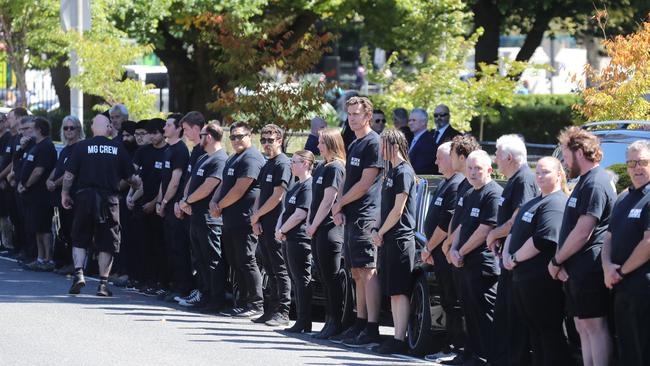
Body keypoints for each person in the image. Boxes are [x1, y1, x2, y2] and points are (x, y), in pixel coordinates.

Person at [550, 126, 615, 366]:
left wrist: (556, 260)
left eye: (566, 156)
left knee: (594, 325)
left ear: (579, 152)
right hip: (576, 269)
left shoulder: (596, 183)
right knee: (581, 325)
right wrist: (563, 261)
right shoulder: (585, 182)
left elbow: (583, 231)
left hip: (590, 268)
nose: (565, 163)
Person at [62, 114, 141, 296]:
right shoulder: (117, 148)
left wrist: (65, 193)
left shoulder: (81, 147)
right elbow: (130, 177)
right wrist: (137, 184)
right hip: (109, 199)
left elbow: (68, 176)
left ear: (91, 129)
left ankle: (79, 275)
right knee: (107, 241)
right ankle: (103, 285)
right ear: (108, 128)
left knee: (80, 237)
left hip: (84, 198)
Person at [503, 157, 572, 366]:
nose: (540, 176)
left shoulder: (556, 202)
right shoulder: (533, 202)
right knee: (534, 333)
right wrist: (506, 254)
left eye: (546, 172)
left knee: (549, 333)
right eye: (538, 172)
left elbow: (542, 239)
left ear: (559, 175)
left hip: (541, 281)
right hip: (521, 278)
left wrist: (514, 258)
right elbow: (513, 231)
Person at [330, 96, 383, 347]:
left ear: (368, 116)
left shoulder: (374, 143)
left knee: (368, 270)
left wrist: (341, 203)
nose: (352, 118)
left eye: (356, 114)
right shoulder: (353, 143)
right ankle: (360, 322)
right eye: (349, 114)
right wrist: (337, 205)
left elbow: (365, 183)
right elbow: (346, 179)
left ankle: (372, 327)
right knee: (355, 272)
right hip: (351, 215)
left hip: (366, 215)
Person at [486, 134, 538, 366]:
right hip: (507, 255)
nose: (495, 159)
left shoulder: (524, 179)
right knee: (504, 314)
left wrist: (494, 234)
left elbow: (519, 216)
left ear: (507, 157)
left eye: (497, 154)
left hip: (519, 260)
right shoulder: (514, 179)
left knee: (514, 317)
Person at [449, 150, 503, 366]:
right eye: (470, 168)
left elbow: (484, 230)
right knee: (468, 311)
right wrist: (454, 248)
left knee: (483, 313)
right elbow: (461, 226)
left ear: (489, 170)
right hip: (464, 262)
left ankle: (485, 357)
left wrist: (460, 252)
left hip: (482, 264)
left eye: (478, 168)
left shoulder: (493, 193)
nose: (472, 172)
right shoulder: (471, 193)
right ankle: (470, 352)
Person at [602, 140, 650, 366]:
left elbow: (648, 243)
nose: (636, 168)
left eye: (642, 162)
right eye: (631, 163)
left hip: (642, 287)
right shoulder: (623, 198)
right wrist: (607, 268)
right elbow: (608, 238)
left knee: (643, 349)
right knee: (626, 349)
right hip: (619, 285)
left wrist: (620, 271)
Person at [210, 121, 265, 318]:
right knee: (235, 261)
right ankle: (241, 302)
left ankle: (255, 304)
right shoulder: (234, 157)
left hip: (244, 220)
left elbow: (240, 188)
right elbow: (224, 183)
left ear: (250, 136)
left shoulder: (251, 158)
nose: (235, 140)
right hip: (230, 219)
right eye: (232, 137)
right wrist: (214, 201)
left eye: (240, 136)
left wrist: (220, 205)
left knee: (246, 260)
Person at [371, 129, 417, 355]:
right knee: (391, 290)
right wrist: (375, 229)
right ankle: (395, 336)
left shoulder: (404, 172)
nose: (380, 150)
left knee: (399, 291)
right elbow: (385, 207)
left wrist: (381, 231)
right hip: (387, 238)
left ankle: (400, 338)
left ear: (395, 146)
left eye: (383, 145)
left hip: (400, 239)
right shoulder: (390, 172)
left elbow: (398, 210)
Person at [421, 141, 465, 361]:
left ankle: (455, 347)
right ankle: (448, 345)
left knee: (453, 301)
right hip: (437, 253)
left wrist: (429, 246)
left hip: (447, 252)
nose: (436, 161)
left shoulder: (457, 184)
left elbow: (446, 222)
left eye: (440, 157)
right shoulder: (444, 183)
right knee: (447, 300)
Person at [178, 122, 228, 312]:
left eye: (202, 134)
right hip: (196, 215)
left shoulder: (220, 159)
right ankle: (204, 294)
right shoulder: (203, 158)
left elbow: (210, 185)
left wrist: (187, 201)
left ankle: (216, 299)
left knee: (212, 259)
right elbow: (191, 181)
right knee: (199, 258)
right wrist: (185, 200)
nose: (199, 138)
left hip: (209, 218)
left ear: (208, 137)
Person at [250, 124, 292, 326]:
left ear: (280, 141)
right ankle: (270, 309)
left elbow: (278, 196)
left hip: (277, 225)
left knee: (280, 269)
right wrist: (256, 217)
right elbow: (260, 191)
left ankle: (283, 312)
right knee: (268, 267)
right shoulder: (267, 163)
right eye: (263, 140)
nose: (266, 144)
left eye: (270, 140)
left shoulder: (283, 163)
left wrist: (257, 214)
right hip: (263, 224)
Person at [306, 127, 346, 339]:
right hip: (317, 227)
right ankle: (329, 321)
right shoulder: (322, 166)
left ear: (331, 144)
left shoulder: (336, 168)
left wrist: (315, 224)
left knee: (331, 277)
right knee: (323, 275)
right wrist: (310, 222)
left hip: (329, 229)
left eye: (321, 142)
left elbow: (329, 199)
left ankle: (335, 321)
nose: (318, 146)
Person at [154, 113, 193, 298]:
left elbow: (176, 181)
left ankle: (182, 288)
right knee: (168, 247)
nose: (165, 129)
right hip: (167, 206)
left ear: (178, 129)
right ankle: (171, 285)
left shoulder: (180, 150)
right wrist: (160, 202)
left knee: (179, 249)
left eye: (169, 125)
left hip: (177, 207)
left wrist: (166, 201)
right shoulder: (167, 150)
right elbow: (164, 181)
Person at [275, 150, 314, 333]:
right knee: (295, 278)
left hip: (299, 238)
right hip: (288, 237)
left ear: (306, 164)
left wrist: (283, 230)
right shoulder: (296, 185)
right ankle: (300, 320)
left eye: (295, 162)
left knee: (301, 279)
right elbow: (285, 211)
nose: (291, 165)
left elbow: (301, 213)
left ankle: (304, 321)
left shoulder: (308, 186)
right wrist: (279, 229)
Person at [127, 118, 167, 291]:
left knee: (158, 246)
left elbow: (165, 182)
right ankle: (140, 278)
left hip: (157, 206)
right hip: (140, 202)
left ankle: (157, 281)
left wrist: (154, 202)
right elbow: (135, 176)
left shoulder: (168, 152)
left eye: (154, 132)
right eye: (149, 133)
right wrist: (130, 196)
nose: (151, 136)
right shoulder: (143, 151)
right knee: (140, 243)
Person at [18, 117, 57, 271]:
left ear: (39, 130)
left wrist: (26, 185)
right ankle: (40, 258)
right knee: (37, 228)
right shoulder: (35, 145)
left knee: (44, 228)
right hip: (32, 195)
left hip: (41, 195)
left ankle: (48, 259)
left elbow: (38, 171)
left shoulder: (46, 146)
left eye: (32, 128)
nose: (30, 131)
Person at [47, 116, 84, 274]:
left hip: (73, 196)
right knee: (63, 230)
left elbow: (71, 173)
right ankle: (64, 261)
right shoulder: (65, 149)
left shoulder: (80, 147)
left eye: (72, 128)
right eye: (65, 128)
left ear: (79, 129)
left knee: (73, 231)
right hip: (60, 196)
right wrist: (49, 179)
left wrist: (55, 183)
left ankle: (75, 265)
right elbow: (58, 167)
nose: (68, 131)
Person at [0, 107, 29, 259]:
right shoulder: (14, 138)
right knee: (14, 217)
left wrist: (4, 176)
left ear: (18, 118)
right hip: (9, 184)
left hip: (18, 184)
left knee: (23, 218)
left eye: (10, 117)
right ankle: (18, 247)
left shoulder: (22, 138)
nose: (8, 120)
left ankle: (26, 249)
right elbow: (11, 159)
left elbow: (14, 163)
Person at [407, 108, 436, 175]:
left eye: (414, 120)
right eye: (409, 120)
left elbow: (420, 168)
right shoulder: (413, 139)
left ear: (423, 122)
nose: (410, 123)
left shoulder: (428, 142)